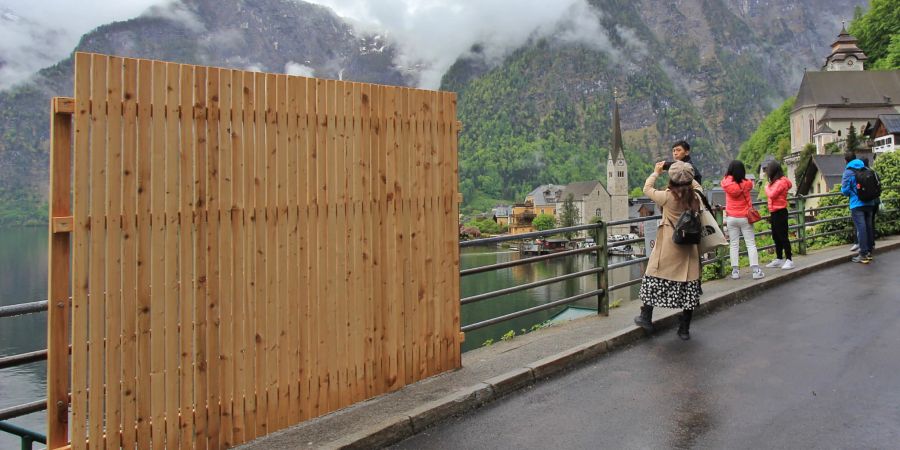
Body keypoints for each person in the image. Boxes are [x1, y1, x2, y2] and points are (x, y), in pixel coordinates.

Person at [634, 161, 702, 340]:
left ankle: (646, 317)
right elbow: (697, 185)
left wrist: (656, 172)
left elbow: (647, 188)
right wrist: (686, 174)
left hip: (668, 247)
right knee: (688, 288)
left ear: (672, 179)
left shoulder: (667, 196)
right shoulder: (696, 197)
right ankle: (684, 328)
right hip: (689, 249)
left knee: (653, 278)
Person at [720, 160, 763, 279]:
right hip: (745, 217)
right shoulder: (747, 183)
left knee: (733, 244)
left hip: (731, 218)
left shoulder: (726, 183)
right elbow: (750, 183)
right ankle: (755, 271)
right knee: (750, 244)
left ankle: (735, 271)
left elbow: (724, 181)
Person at [841, 152, 876, 263]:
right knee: (868, 227)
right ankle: (869, 252)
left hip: (857, 204)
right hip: (870, 202)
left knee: (861, 229)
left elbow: (845, 191)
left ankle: (863, 254)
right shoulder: (865, 168)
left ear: (846, 161)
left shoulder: (848, 172)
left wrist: (850, 192)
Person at [764, 161, 794, 269]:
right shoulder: (777, 181)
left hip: (780, 212)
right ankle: (779, 258)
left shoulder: (780, 182)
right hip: (774, 212)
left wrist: (766, 187)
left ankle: (789, 259)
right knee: (776, 236)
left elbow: (771, 194)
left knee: (783, 237)